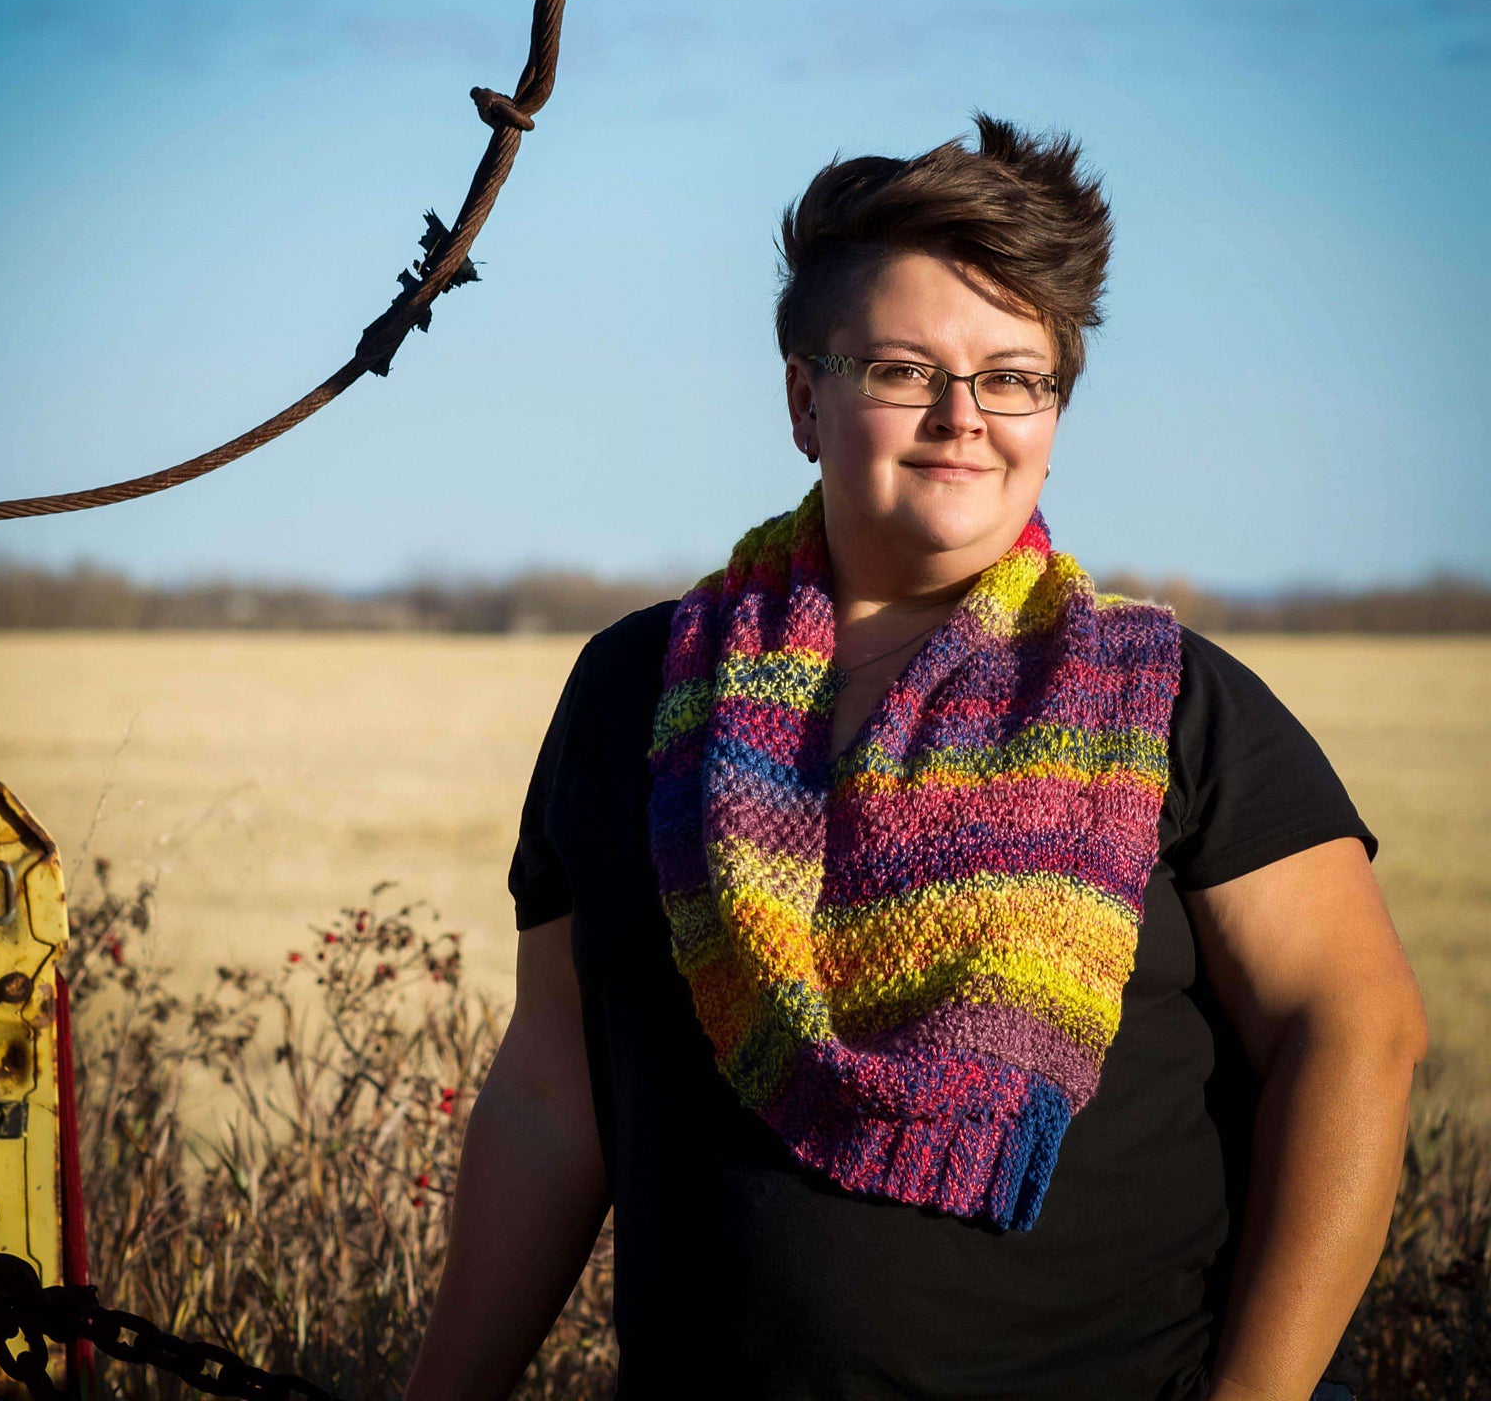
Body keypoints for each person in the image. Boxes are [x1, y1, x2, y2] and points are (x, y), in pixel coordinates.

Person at [403, 116, 1431, 1401]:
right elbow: (553, 1090)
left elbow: (1356, 1031)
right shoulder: (635, 695)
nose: (962, 418)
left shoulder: (1170, 702)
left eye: (1013, 377)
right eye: (904, 370)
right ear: (804, 398)